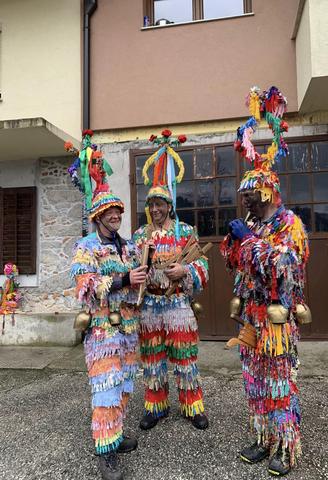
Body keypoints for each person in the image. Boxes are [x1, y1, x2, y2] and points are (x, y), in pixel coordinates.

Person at [221, 87, 309, 476]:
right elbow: (234, 263)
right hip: (250, 321)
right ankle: (262, 439)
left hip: (276, 321)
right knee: (255, 385)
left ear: (268, 190)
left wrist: (249, 241)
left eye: (252, 195)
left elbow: (281, 267)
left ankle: (286, 448)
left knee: (279, 385)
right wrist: (231, 243)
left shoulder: (290, 225)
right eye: (245, 196)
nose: (247, 203)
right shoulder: (253, 224)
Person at [133, 130, 209, 431]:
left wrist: (186, 272)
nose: (155, 209)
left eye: (160, 204)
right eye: (151, 204)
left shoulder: (185, 231)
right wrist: (138, 275)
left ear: (170, 206)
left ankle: (192, 406)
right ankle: (155, 405)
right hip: (150, 306)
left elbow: (202, 263)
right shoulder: (140, 236)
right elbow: (131, 268)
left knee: (185, 357)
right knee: (152, 358)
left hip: (178, 304)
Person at [71, 190, 147, 480]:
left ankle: (114, 436)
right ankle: (106, 452)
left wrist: (143, 275)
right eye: (109, 211)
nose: (116, 215)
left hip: (127, 329)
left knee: (124, 386)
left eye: (118, 211)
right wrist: (124, 279)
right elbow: (84, 285)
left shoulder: (128, 247)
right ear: (97, 216)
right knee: (105, 390)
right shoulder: (85, 246)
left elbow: (136, 282)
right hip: (102, 331)